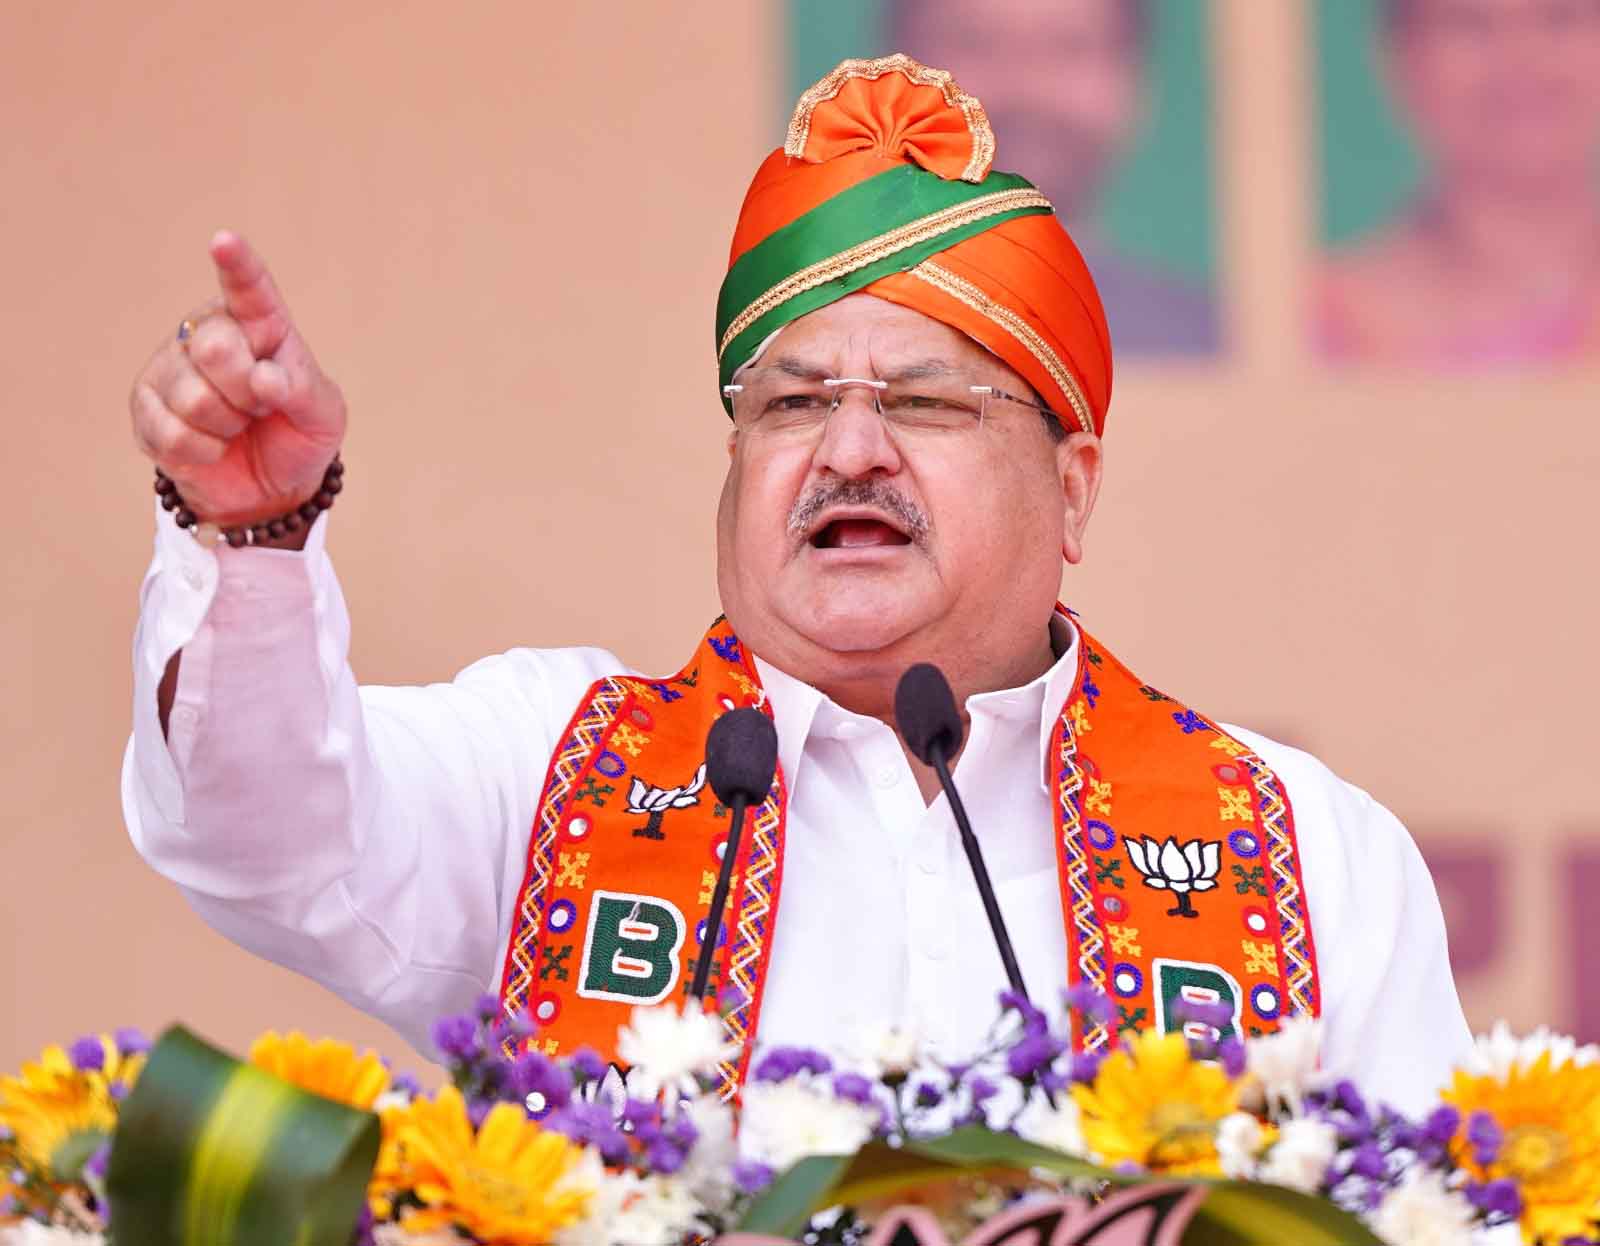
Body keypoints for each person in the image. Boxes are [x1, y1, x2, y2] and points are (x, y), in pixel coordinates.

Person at [122, 55, 1467, 1112]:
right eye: (793, 400)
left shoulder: (1299, 853)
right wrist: (252, 533)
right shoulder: (551, 774)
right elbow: (257, 832)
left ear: (1072, 485)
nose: (850, 449)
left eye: (929, 401)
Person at [888, 0, 1221, 354]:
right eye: (976, 42)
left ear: (1134, 83)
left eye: (1071, 46)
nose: (1027, 85)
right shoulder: (830, 315)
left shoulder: (1214, 347)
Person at [1316, 0, 1600, 364]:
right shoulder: (1290, 330)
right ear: (1400, 56)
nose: (1523, 60)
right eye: (1469, 23)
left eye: (1562, 17)